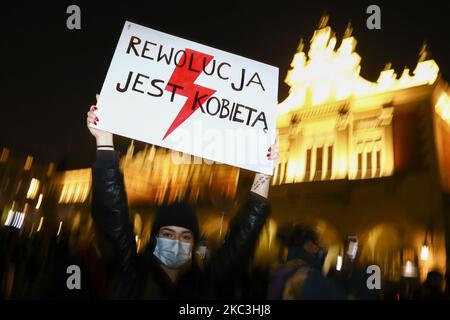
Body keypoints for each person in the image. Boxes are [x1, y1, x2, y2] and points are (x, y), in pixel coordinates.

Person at [86, 97, 278, 299]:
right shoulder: (132, 276)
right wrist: (104, 142)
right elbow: (112, 218)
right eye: (168, 234)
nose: (177, 243)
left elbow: (241, 242)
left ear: (194, 242)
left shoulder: (205, 284)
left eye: (185, 237)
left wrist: (264, 171)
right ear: (154, 238)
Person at [267, 224, 345, 300]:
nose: (323, 248)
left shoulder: (283, 267)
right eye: (318, 244)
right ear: (309, 244)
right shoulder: (310, 275)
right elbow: (336, 295)